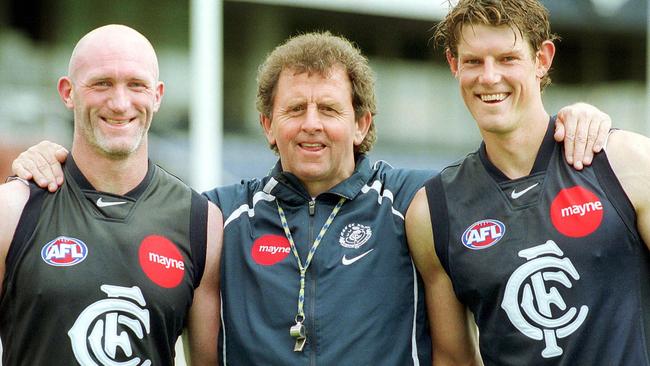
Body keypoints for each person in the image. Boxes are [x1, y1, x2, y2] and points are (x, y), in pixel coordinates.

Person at [11, 32, 611, 365]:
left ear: (362, 123)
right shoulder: (216, 217)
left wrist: (573, 124)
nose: (311, 125)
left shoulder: (421, 204)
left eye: (329, 109)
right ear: (267, 125)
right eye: (294, 110)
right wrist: (46, 159)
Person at [405, 0, 650, 365]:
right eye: (473, 61)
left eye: (507, 58)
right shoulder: (432, 211)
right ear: (454, 65)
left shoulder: (625, 161)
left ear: (542, 59)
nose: (489, 77)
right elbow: (453, 358)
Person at [0, 25, 221, 365]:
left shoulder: (201, 221)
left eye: (136, 84)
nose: (120, 103)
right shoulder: (13, 209)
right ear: (68, 92)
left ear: (158, 95)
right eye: (102, 83)